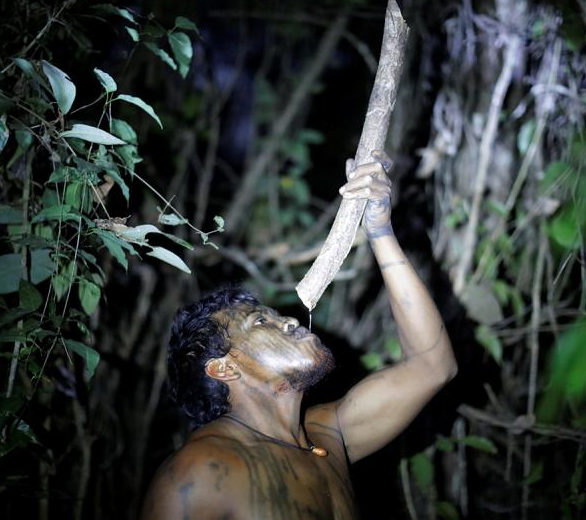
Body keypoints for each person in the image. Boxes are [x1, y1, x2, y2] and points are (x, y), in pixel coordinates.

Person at [141, 152, 458, 519]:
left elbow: (432, 366)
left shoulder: (328, 434)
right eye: (260, 322)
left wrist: (380, 230)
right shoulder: (200, 471)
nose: (290, 321)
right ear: (224, 368)